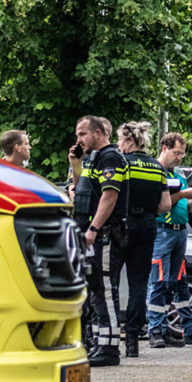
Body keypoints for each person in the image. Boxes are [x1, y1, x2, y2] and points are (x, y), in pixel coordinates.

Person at [70, 116, 128, 367]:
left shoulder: (110, 158)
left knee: (104, 288)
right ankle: (99, 343)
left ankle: (109, 348)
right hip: (90, 234)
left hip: (104, 234)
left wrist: (94, 228)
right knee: (95, 290)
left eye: (82, 134)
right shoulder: (93, 158)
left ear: (98, 132)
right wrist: (75, 163)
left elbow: (109, 195)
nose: (79, 140)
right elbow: (80, 191)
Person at [115, 121, 171, 358]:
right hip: (147, 226)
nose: (117, 145)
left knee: (111, 281)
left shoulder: (120, 163)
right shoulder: (157, 168)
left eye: (119, 140)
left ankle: (107, 334)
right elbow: (166, 205)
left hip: (120, 226)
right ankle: (132, 341)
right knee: (139, 284)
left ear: (129, 141)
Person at [147, 132, 192, 348]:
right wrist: (184, 195)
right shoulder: (155, 171)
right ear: (164, 148)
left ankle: (189, 329)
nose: (179, 157)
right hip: (163, 231)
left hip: (180, 232)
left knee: (180, 282)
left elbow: (181, 202)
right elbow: (162, 202)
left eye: (182, 153)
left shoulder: (178, 174)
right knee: (160, 281)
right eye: (176, 153)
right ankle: (156, 329)